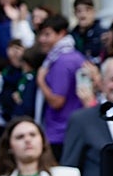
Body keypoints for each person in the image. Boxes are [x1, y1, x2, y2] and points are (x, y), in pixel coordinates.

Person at [34, 14, 90, 157]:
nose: (42, 39)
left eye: (47, 34)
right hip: (69, 130)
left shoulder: (62, 61)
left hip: (60, 133)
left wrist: (40, 81)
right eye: (41, 34)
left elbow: (57, 101)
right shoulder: (74, 56)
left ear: (62, 33)